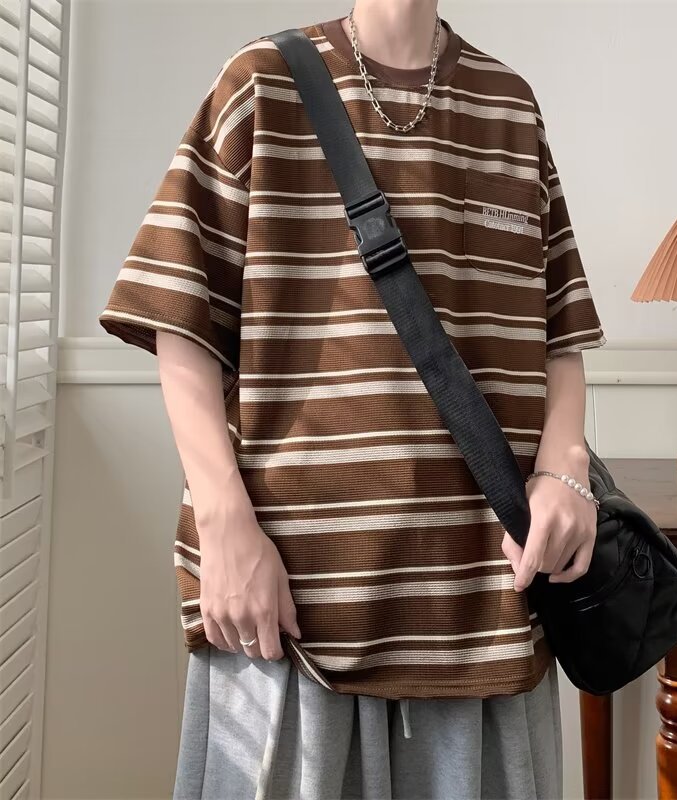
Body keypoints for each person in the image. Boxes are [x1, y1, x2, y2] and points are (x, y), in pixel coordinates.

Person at [98, 2, 606, 797]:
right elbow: (178, 316)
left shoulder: (509, 103)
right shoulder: (260, 82)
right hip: (287, 608)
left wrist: (565, 467)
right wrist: (225, 528)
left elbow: (558, 325)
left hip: (485, 605)